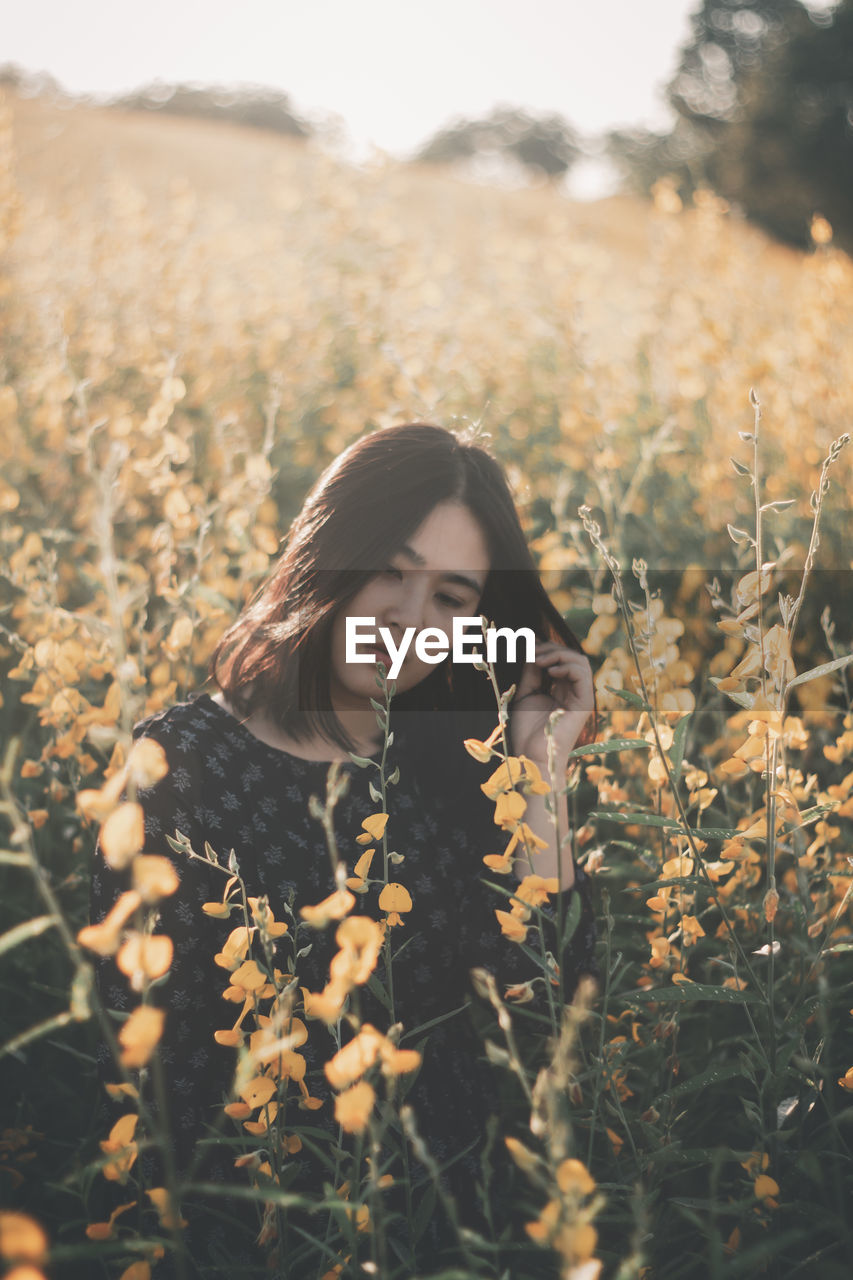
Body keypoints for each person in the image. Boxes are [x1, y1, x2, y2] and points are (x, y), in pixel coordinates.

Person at [89, 422, 597, 1277]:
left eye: (450, 598)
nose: (406, 619)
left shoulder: (470, 765)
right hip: (251, 1236)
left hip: (450, 1239)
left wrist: (541, 769)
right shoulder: (182, 763)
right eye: (390, 572)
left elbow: (551, 1016)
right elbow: (156, 1067)